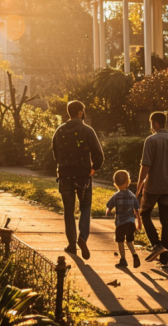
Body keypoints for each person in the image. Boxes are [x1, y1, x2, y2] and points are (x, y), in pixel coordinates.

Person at [51, 100, 103, 260]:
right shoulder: (87, 130)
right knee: (85, 206)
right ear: (80, 112)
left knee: (68, 210)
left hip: (65, 174)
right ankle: (83, 237)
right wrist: (92, 169)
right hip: (83, 175)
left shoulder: (59, 131)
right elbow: (99, 155)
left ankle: (72, 245)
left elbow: (55, 154)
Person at [137, 111, 168, 265]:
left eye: (151, 123)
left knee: (145, 214)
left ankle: (156, 244)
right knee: (165, 219)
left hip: (153, 185)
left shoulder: (151, 140)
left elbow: (146, 164)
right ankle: (165, 255)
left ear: (155, 122)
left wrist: (139, 183)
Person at [105, 170, 141, 268]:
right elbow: (137, 209)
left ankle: (123, 259)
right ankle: (134, 254)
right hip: (130, 223)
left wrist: (107, 210)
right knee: (129, 241)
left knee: (120, 241)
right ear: (128, 181)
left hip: (120, 223)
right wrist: (139, 222)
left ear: (115, 184)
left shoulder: (116, 196)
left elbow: (109, 206)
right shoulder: (132, 196)